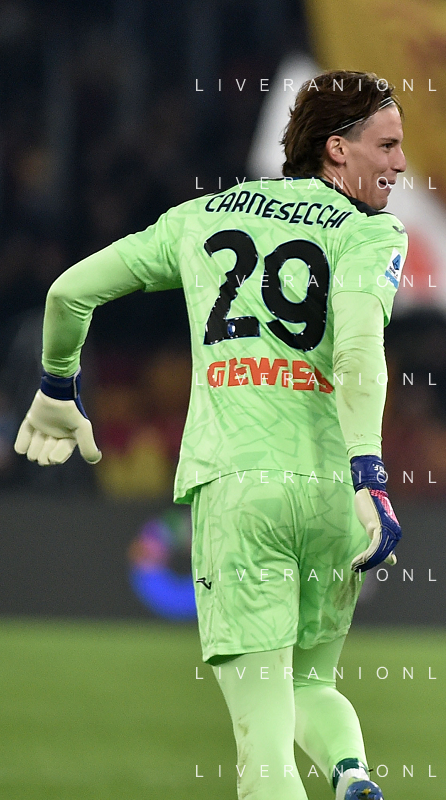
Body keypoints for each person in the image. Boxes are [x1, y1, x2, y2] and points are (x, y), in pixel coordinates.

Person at [13, 70, 409, 800]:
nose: (401, 164)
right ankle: (351, 771)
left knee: (263, 751)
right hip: (333, 494)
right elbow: (358, 352)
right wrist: (369, 478)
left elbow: (69, 292)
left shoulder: (201, 217)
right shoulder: (370, 232)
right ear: (336, 149)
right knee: (311, 683)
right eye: (386, 146)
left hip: (237, 486)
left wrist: (58, 386)